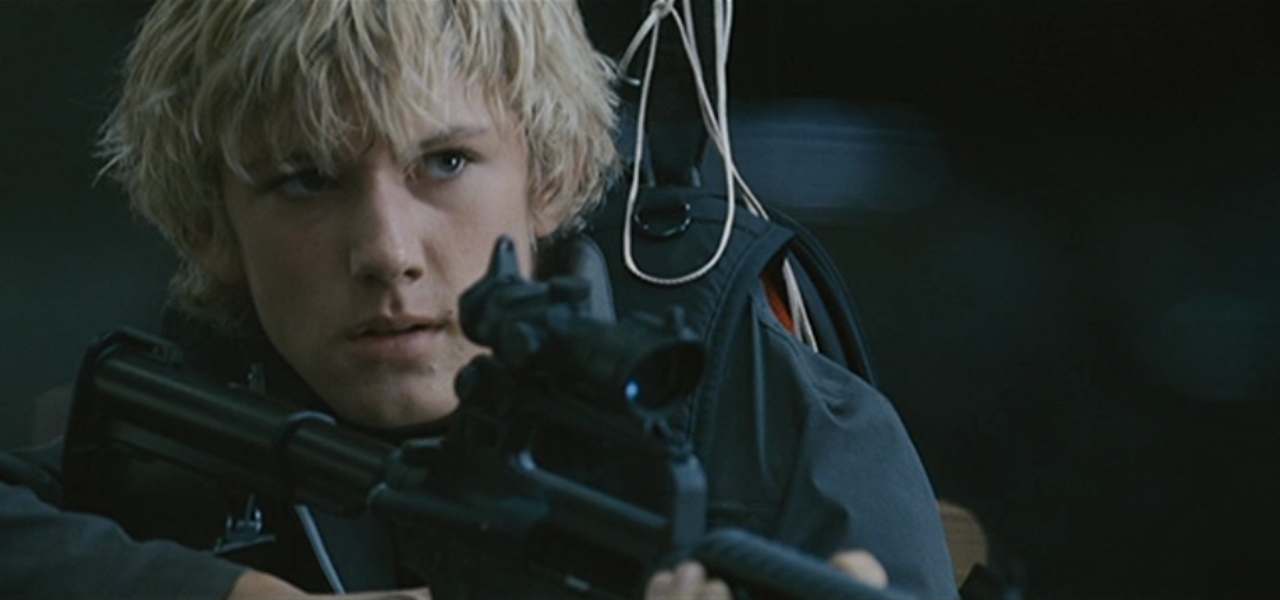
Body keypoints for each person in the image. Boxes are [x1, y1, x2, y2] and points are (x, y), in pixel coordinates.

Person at [19, 0, 951, 598]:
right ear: (209, 226)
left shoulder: (761, 415)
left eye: (446, 163)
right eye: (306, 180)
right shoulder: (194, 418)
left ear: (552, 175)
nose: (388, 253)